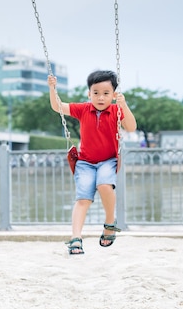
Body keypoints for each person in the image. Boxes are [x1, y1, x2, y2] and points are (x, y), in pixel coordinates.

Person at [47, 70, 137, 255]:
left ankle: (110, 223)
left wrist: (124, 105)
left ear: (113, 95)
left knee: (105, 185)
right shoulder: (83, 109)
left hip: (108, 161)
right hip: (85, 163)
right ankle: (75, 237)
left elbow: (131, 127)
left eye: (106, 93)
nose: (101, 97)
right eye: (96, 93)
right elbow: (57, 106)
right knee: (83, 199)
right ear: (89, 94)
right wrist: (52, 88)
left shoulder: (116, 110)